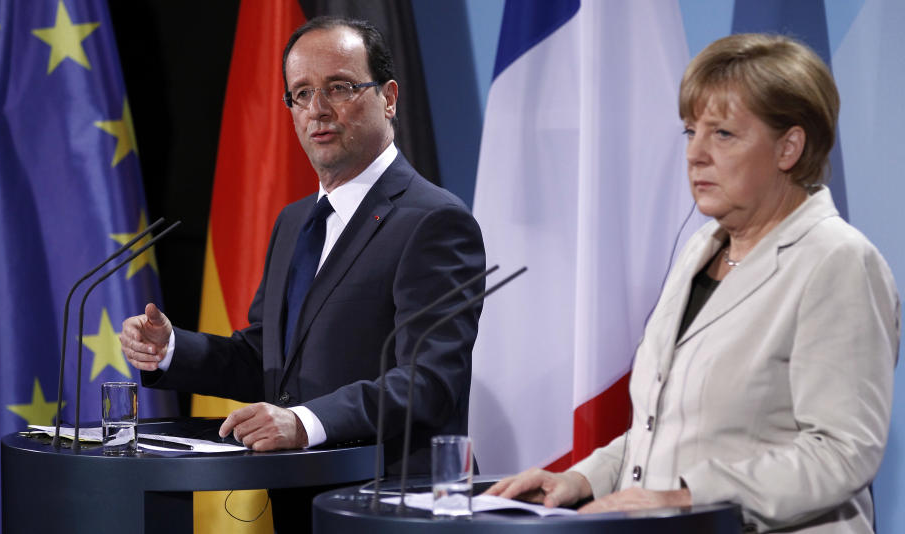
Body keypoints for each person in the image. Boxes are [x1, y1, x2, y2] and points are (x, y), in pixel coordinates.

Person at [486, 33, 899, 533]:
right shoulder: (702, 249)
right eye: (689, 132)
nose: (696, 154)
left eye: (723, 134)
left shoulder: (837, 262)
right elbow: (665, 430)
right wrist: (583, 479)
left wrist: (687, 499)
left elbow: (841, 453)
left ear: (789, 146)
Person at [119, 16, 485, 530]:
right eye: (301, 93)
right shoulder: (295, 221)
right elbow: (267, 360)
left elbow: (427, 381)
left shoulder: (434, 221)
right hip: (300, 502)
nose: (318, 110)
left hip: (390, 508)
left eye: (340, 87)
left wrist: (302, 423)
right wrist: (173, 349)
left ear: (389, 97)